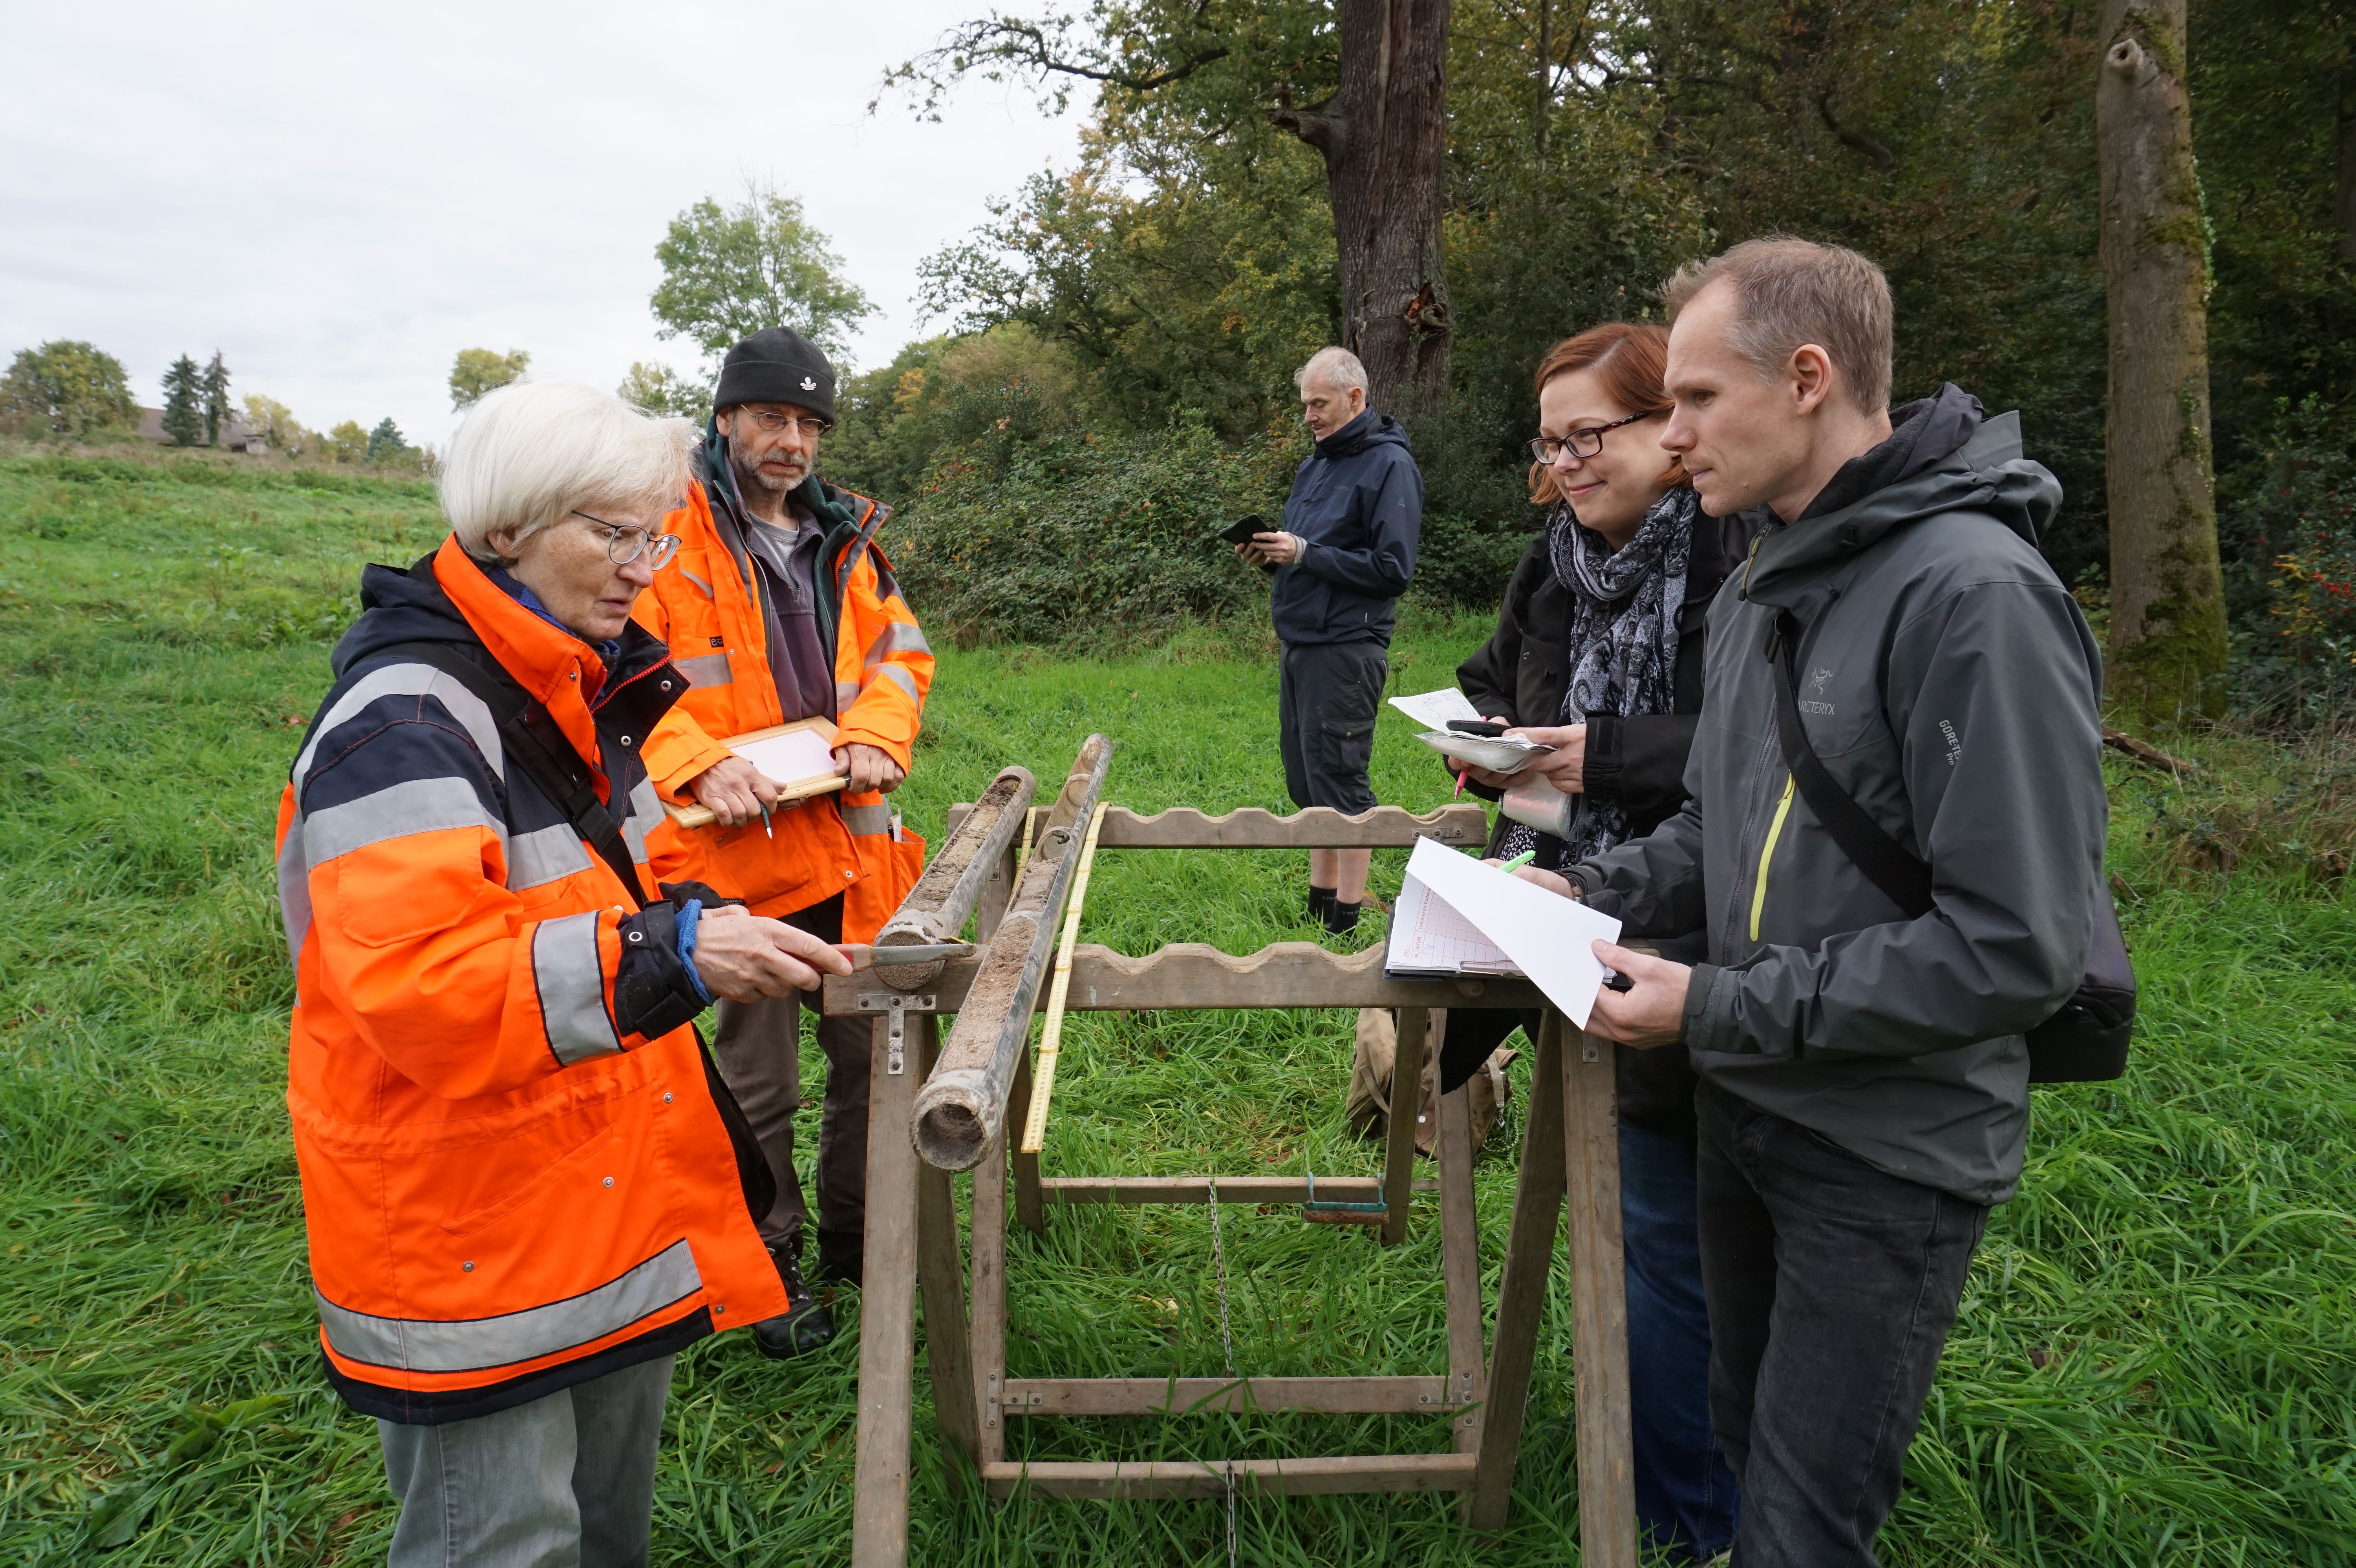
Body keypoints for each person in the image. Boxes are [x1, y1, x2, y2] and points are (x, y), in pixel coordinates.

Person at [1534, 238, 2105, 1567]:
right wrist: (1573, 887)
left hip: (1885, 1151)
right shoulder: (1761, 585)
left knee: (1802, 1523)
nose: (1671, 440)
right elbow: (1713, 832)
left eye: (1693, 401)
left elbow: (2017, 950)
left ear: (1808, 378)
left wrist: (1717, 1002)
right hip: (1747, 1102)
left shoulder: (1977, 596)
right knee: (1746, 1459)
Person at [276, 380, 854, 1566]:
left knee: (602, 1529)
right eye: (611, 533)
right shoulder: (408, 718)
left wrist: (702, 916)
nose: (644, 565)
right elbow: (422, 987)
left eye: (653, 535)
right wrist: (679, 952)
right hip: (472, 1231)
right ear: (505, 528)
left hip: (594, 1192)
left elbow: (624, 883)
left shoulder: (581, 683)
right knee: (500, 1539)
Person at [1442, 321, 1747, 1564]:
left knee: (1682, 1220)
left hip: (1710, 914)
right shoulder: (1555, 558)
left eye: (1591, 436)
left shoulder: (1743, 553)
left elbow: (1761, 748)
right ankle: (1679, 1487)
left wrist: (1603, 755)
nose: (1568, 463)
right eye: (1550, 443)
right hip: (1571, 895)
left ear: (1669, 431)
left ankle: (1697, 1510)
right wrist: (1485, 738)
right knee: (1646, 1212)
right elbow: (1491, 677)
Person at [635, 326, 933, 1359]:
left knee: (872, 1057)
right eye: (771, 416)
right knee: (758, 1081)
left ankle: (860, 1241)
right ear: (726, 418)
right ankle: (769, 1266)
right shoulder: (663, 532)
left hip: (852, 852)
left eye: (810, 423)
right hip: (734, 862)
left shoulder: (846, 534)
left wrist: (876, 736)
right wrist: (694, 763)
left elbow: (903, 655)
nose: (792, 440)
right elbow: (618, 670)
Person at [1236, 345, 1421, 933]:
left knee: (1341, 779)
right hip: (1301, 640)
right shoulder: (1314, 466)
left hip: (1346, 646)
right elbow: (1311, 559)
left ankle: (1349, 915)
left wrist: (1305, 552)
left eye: (1319, 404)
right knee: (1308, 778)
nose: (1309, 416)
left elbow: (1394, 569)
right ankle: (1320, 903)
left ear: (1356, 398)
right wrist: (1273, 555)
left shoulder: (1390, 466)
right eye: (1305, 405)